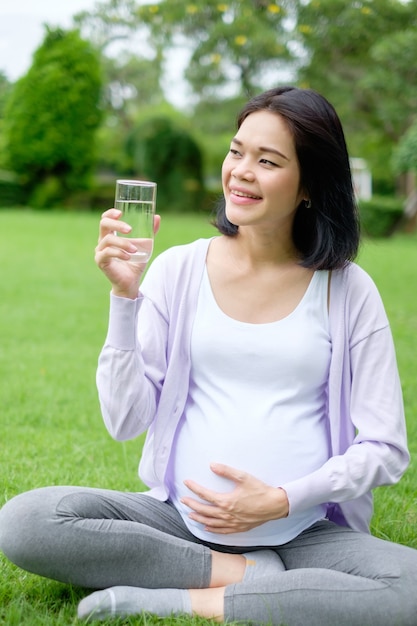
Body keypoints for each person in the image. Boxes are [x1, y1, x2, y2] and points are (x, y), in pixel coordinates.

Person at [0, 86, 416, 626]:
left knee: (410, 586)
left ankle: (188, 597)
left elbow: (385, 447)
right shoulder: (180, 269)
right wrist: (126, 297)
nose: (241, 171)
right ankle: (238, 575)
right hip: (179, 523)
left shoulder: (348, 290)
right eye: (236, 151)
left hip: (304, 531)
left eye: (267, 161)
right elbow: (125, 421)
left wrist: (283, 500)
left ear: (310, 183)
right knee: (27, 521)